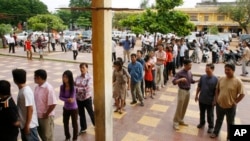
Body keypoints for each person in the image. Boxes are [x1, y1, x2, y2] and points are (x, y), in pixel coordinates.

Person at [210, 63, 245, 140]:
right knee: (219, 120)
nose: (226, 71)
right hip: (220, 105)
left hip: (230, 107)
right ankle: (215, 132)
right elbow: (217, 89)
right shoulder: (221, 78)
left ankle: (229, 136)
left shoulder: (238, 81)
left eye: (228, 70)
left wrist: (235, 102)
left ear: (233, 70)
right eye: (225, 69)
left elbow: (242, 94)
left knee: (230, 122)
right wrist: (216, 99)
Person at [12, 69, 39, 141]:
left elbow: (30, 109)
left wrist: (27, 126)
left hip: (29, 126)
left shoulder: (26, 92)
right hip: (24, 125)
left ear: (15, 80)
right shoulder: (22, 90)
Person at [172, 59, 197, 130]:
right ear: (185, 65)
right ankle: (176, 121)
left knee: (184, 106)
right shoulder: (180, 73)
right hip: (182, 91)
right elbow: (174, 82)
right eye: (189, 65)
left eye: (191, 65)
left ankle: (181, 119)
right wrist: (180, 80)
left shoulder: (189, 72)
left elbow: (191, 81)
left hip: (188, 91)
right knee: (179, 107)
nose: (190, 66)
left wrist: (198, 81)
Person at [34, 69, 57, 141]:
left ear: (39, 78)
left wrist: (47, 113)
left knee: (48, 137)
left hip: (46, 117)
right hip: (38, 116)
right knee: (42, 135)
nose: (34, 79)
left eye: (35, 77)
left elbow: (53, 103)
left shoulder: (48, 88)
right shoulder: (37, 87)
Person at [195, 63, 218, 133]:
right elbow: (199, 87)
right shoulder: (203, 77)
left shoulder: (216, 79)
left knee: (210, 114)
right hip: (202, 99)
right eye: (206, 68)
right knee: (202, 112)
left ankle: (211, 126)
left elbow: (216, 92)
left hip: (210, 101)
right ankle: (202, 123)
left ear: (213, 69)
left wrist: (215, 100)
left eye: (208, 69)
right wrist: (196, 95)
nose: (206, 70)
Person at [75, 63, 95, 134]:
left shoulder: (89, 77)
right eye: (80, 67)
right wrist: (78, 89)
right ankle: (83, 128)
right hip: (79, 99)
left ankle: (96, 124)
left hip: (87, 99)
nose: (81, 69)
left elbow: (87, 88)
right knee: (81, 114)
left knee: (91, 112)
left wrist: (77, 89)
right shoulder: (77, 77)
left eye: (83, 67)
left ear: (87, 68)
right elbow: (74, 86)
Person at [59, 70, 78, 141]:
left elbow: (72, 99)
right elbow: (60, 97)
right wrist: (67, 99)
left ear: (70, 78)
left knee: (74, 124)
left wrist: (66, 99)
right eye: (63, 77)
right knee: (65, 123)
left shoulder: (73, 87)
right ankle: (67, 137)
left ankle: (75, 138)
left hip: (73, 108)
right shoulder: (62, 87)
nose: (64, 79)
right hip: (66, 108)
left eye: (66, 77)